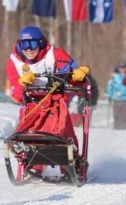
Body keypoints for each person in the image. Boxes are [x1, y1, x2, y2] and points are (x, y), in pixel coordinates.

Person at [6, 26, 89, 156]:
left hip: (57, 102)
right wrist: (23, 85)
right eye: (23, 44)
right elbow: (15, 90)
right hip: (31, 103)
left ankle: (68, 164)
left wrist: (79, 77)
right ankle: (31, 162)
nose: (28, 49)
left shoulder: (55, 54)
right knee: (29, 127)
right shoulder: (15, 61)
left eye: (32, 44)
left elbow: (72, 76)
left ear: (40, 42)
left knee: (62, 128)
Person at [106, 65, 126, 129]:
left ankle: (123, 129)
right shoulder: (114, 78)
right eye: (121, 69)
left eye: (123, 69)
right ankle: (117, 128)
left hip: (124, 99)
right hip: (116, 99)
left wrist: (122, 93)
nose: (122, 70)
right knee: (116, 115)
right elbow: (110, 88)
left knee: (124, 116)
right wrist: (109, 96)